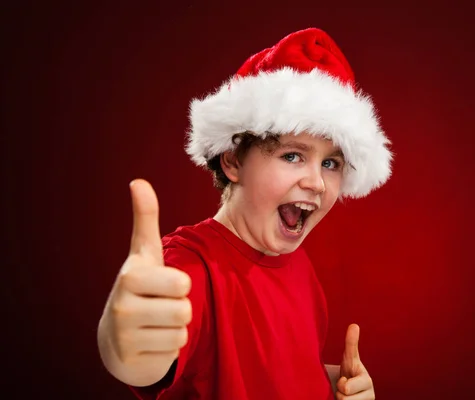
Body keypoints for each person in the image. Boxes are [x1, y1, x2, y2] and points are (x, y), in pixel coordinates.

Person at [97, 27, 392, 400]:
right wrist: (123, 344)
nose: (317, 182)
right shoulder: (190, 267)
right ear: (234, 160)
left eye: (331, 162)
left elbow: (271, 373)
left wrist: (331, 386)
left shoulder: (299, 267)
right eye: (292, 155)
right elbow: (146, 359)